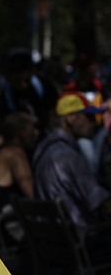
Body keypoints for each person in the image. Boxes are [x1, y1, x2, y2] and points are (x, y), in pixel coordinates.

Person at [32, 91, 111, 264]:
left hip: (55, 239)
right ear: (70, 118)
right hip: (81, 241)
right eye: (88, 117)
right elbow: (103, 203)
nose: (93, 123)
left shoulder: (42, 148)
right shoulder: (68, 155)